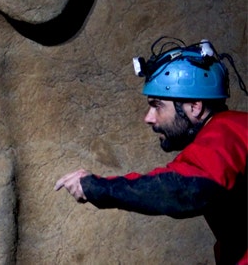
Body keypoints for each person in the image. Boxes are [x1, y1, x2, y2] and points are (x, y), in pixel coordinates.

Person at [55, 37, 247, 265]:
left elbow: (185, 187)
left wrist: (96, 187)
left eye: (157, 106)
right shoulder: (232, 129)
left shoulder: (225, 133)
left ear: (195, 107)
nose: (148, 118)